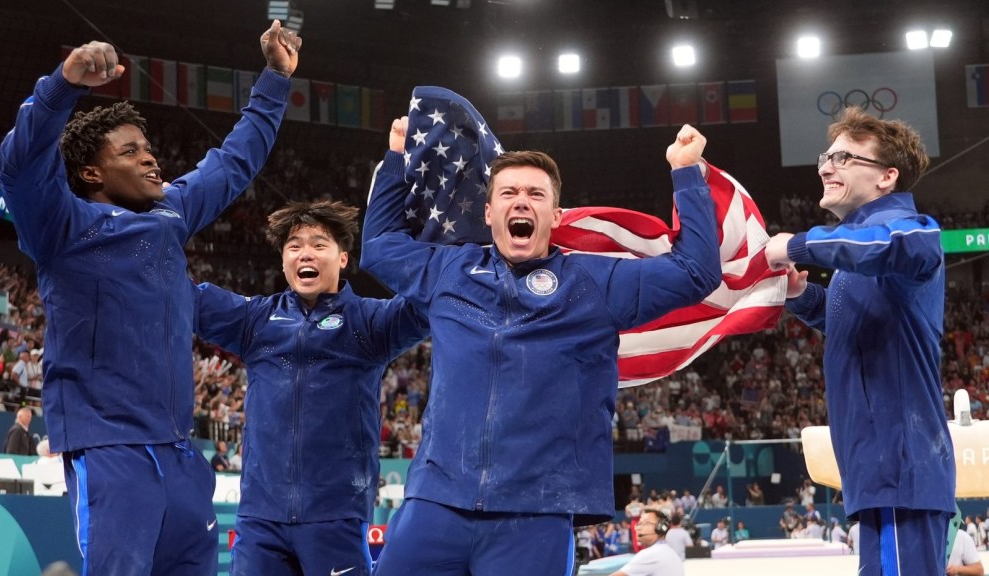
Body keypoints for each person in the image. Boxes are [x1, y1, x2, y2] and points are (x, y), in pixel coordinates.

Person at [0, 21, 300, 576]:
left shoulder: (170, 213)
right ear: (91, 171)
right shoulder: (62, 226)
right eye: (131, 151)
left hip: (180, 454)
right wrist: (62, 87)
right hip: (111, 449)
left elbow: (232, 163)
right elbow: (18, 168)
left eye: (150, 149)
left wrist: (276, 78)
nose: (151, 159)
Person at [361, 114, 721, 575]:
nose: (521, 202)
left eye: (535, 194)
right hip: (436, 500)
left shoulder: (593, 282)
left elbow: (697, 272)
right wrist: (395, 158)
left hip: (536, 509)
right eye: (508, 193)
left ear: (555, 215)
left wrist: (686, 171)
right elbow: (378, 247)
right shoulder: (448, 270)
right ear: (489, 213)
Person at [764, 106, 954, 576]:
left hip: (898, 468)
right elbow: (855, 321)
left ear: (887, 176)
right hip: (880, 469)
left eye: (845, 157)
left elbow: (893, 244)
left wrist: (798, 244)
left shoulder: (913, 232)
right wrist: (803, 295)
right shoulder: (859, 255)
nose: (827, 166)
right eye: (826, 157)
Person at [193, 200, 427, 576]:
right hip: (260, 518)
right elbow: (179, 295)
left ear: (344, 258)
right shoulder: (256, 320)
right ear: (283, 260)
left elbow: (430, 303)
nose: (306, 252)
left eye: (320, 244)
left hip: (336, 518)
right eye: (294, 245)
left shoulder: (369, 323)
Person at [609, 510, 684, 576]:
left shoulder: (652, 553)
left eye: (645, 523)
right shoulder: (669, 551)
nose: (637, 528)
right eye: (639, 523)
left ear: (660, 527)